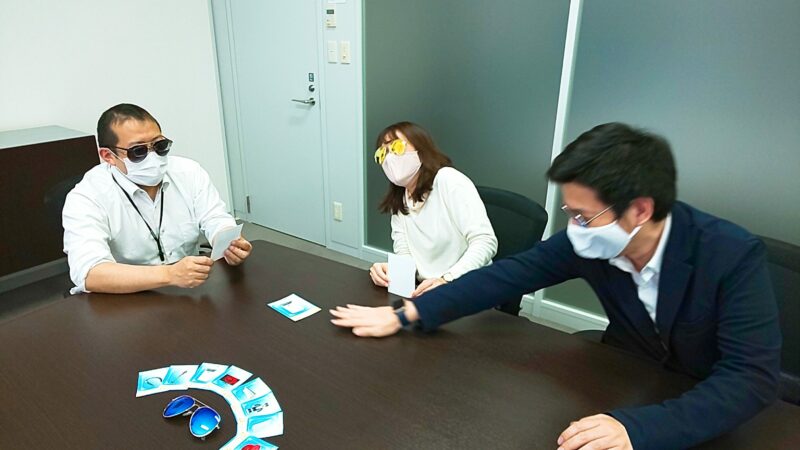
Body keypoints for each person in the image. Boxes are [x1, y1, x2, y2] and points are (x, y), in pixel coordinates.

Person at [332, 123, 781, 450]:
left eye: (584, 216)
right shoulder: (591, 239)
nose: (575, 228)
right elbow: (505, 277)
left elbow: (750, 379)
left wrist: (639, 429)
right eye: (570, 213)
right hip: (625, 378)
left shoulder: (730, 254)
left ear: (641, 210)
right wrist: (408, 314)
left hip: (703, 408)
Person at [63, 103, 252, 294]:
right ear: (108, 156)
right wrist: (170, 274)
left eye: (160, 146)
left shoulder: (189, 172)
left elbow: (214, 217)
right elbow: (89, 273)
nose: (153, 157)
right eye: (138, 151)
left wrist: (229, 241)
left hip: (190, 286)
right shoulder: (87, 197)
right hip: (126, 294)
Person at [368, 121, 497, 297]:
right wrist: (391, 272)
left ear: (421, 148)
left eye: (396, 147)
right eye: (383, 153)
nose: (389, 158)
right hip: (427, 289)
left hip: (469, 286)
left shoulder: (449, 180)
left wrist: (446, 279)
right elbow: (405, 253)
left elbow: (485, 241)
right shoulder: (400, 198)